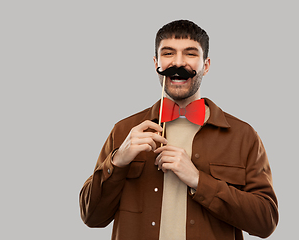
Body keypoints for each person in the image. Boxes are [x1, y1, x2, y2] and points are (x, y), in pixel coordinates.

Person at [79, 19, 278, 240]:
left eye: (191, 54)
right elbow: (91, 217)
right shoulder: (124, 130)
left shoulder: (243, 136)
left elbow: (265, 222)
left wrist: (197, 180)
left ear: (206, 65)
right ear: (156, 62)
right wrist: (118, 161)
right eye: (168, 53)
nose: (178, 62)